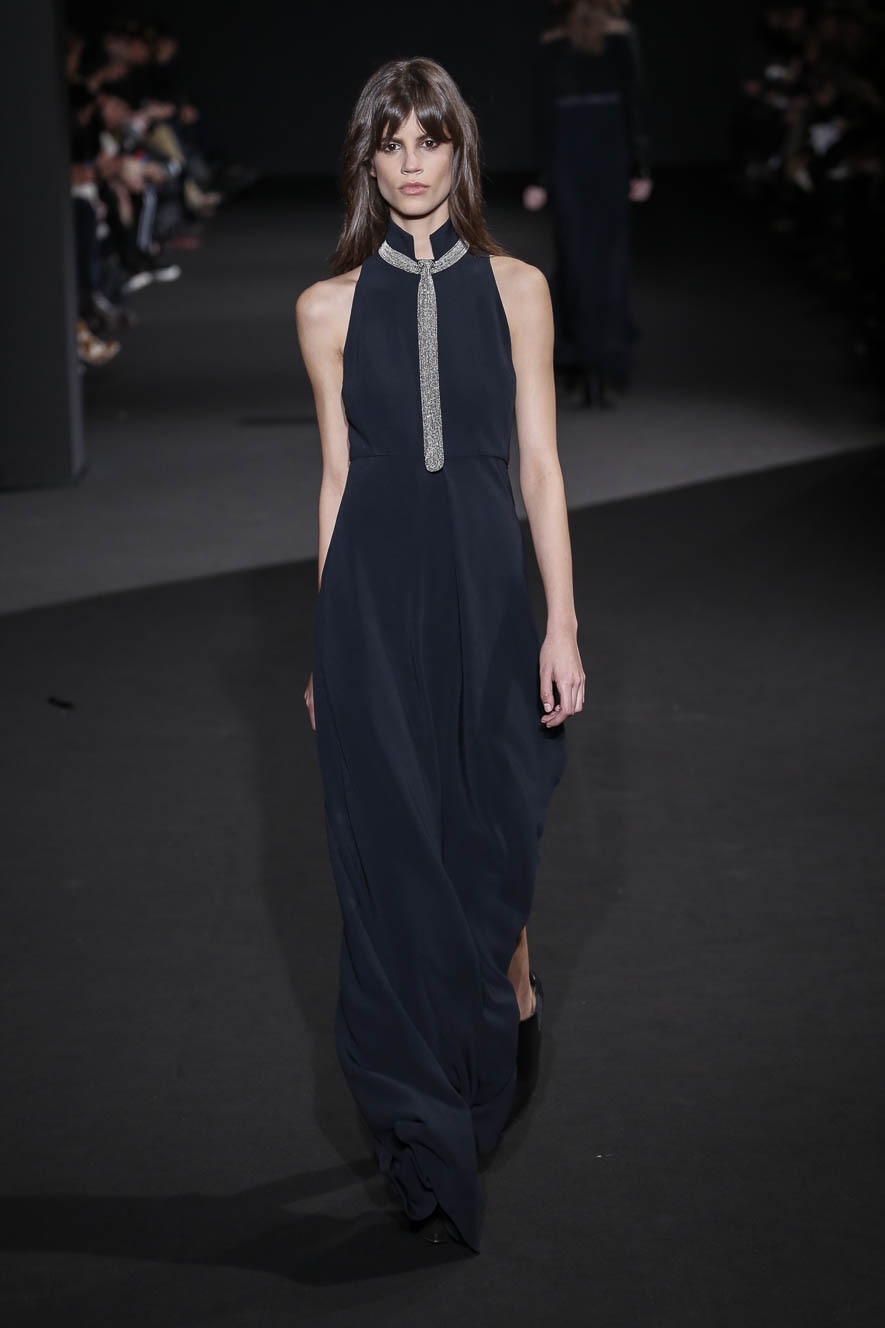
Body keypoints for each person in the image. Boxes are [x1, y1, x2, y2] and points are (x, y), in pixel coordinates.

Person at [295, 56, 584, 1252]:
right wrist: (326, 644)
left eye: (431, 139)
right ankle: (420, 1121)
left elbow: (540, 467)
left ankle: (509, 989)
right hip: (372, 608)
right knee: (394, 862)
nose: (412, 162)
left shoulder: (518, 289)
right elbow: (336, 478)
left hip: (486, 597)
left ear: (461, 151)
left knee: (494, 837)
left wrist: (562, 619)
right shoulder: (327, 307)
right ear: (367, 160)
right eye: (392, 142)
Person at [525, 0, 653, 406]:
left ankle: (580, 364)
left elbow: (544, 116)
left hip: (570, 157)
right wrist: (639, 166)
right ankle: (600, 366)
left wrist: (541, 177)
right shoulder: (621, 40)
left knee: (576, 259)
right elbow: (633, 104)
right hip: (609, 154)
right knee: (608, 261)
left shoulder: (553, 43)